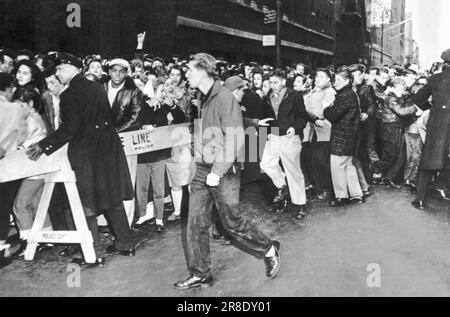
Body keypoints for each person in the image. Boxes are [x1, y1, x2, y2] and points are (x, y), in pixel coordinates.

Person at [174, 53, 280, 290]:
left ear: (203, 70)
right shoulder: (204, 97)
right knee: (195, 223)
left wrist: (218, 170)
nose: (186, 74)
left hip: (223, 170)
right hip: (203, 168)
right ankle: (201, 273)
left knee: (231, 222)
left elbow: (234, 138)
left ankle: (268, 248)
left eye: (190, 70)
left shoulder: (224, 97)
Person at [26, 53, 135, 267]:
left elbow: (70, 128)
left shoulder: (70, 94)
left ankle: (90, 252)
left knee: (85, 200)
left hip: (87, 153)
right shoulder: (96, 87)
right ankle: (126, 243)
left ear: (72, 68)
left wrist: (43, 145)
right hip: (107, 149)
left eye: (60, 70)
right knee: (111, 196)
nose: (57, 74)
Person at [259, 69, 309, 217]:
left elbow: (302, 117)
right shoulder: (268, 96)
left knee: (293, 171)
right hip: (274, 136)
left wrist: (295, 128)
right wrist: (266, 132)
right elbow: (267, 117)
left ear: (283, 82)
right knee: (266, 164)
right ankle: (282, 186)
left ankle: (301, 204)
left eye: (275, 82)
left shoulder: (295, 96)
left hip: (289, 138)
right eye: (271, 82)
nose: (272, 85)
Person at [11, 86, 54, 257]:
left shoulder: (29, 119)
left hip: (33, 169)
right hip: (40, 167)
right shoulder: (37, 117)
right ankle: (46, 237)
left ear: (29, 102)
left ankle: (29, 242)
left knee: (20, 204)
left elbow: (15, 140)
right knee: (37, 203)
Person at [103, 58, 144, 227]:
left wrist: (114, 131)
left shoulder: (134, 91)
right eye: (114, 70)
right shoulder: (101, 87)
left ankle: (126, 223)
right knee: (107, 180)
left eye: (121, 71)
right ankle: (107, 221)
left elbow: (135, 118)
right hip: (103, 141)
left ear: (126, 73)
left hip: (125, 140)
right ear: (109, 72)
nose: (117, 74)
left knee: (126, 180)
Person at [410, 49, 450, 210]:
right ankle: (444, 189)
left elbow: (417, 98)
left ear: (444, 63)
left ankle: (420, 199)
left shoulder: (435, 79)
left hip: (438, 124)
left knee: (430, 160)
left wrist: (433, 109)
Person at [324, 67, 364, 207]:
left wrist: (327, 108)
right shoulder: (351, 94)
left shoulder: (343, 96)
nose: (335, 82)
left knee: (337, 166)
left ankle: (341, 196)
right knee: (348, 166)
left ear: (347, 81)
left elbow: (331, 115)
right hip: (351, 136)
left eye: (338, 80)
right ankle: (356, 194)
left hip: (341, 137)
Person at [0, 73, 26, 269]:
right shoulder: (15, 108)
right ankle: (1, 250)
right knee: (3, 207)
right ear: (10, 88)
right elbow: (22, 134)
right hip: (7, 167)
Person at [303, 68, 336, 201]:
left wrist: (307, 112)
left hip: (325, 130)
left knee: (323, 161)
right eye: (316, 77)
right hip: (314, 130)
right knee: (315, 160)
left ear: (329, 79)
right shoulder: (315, 91)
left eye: (321, 77)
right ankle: (319, 187)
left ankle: (328, 189)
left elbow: (321, 111)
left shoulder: (330, 92)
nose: (317, 79)